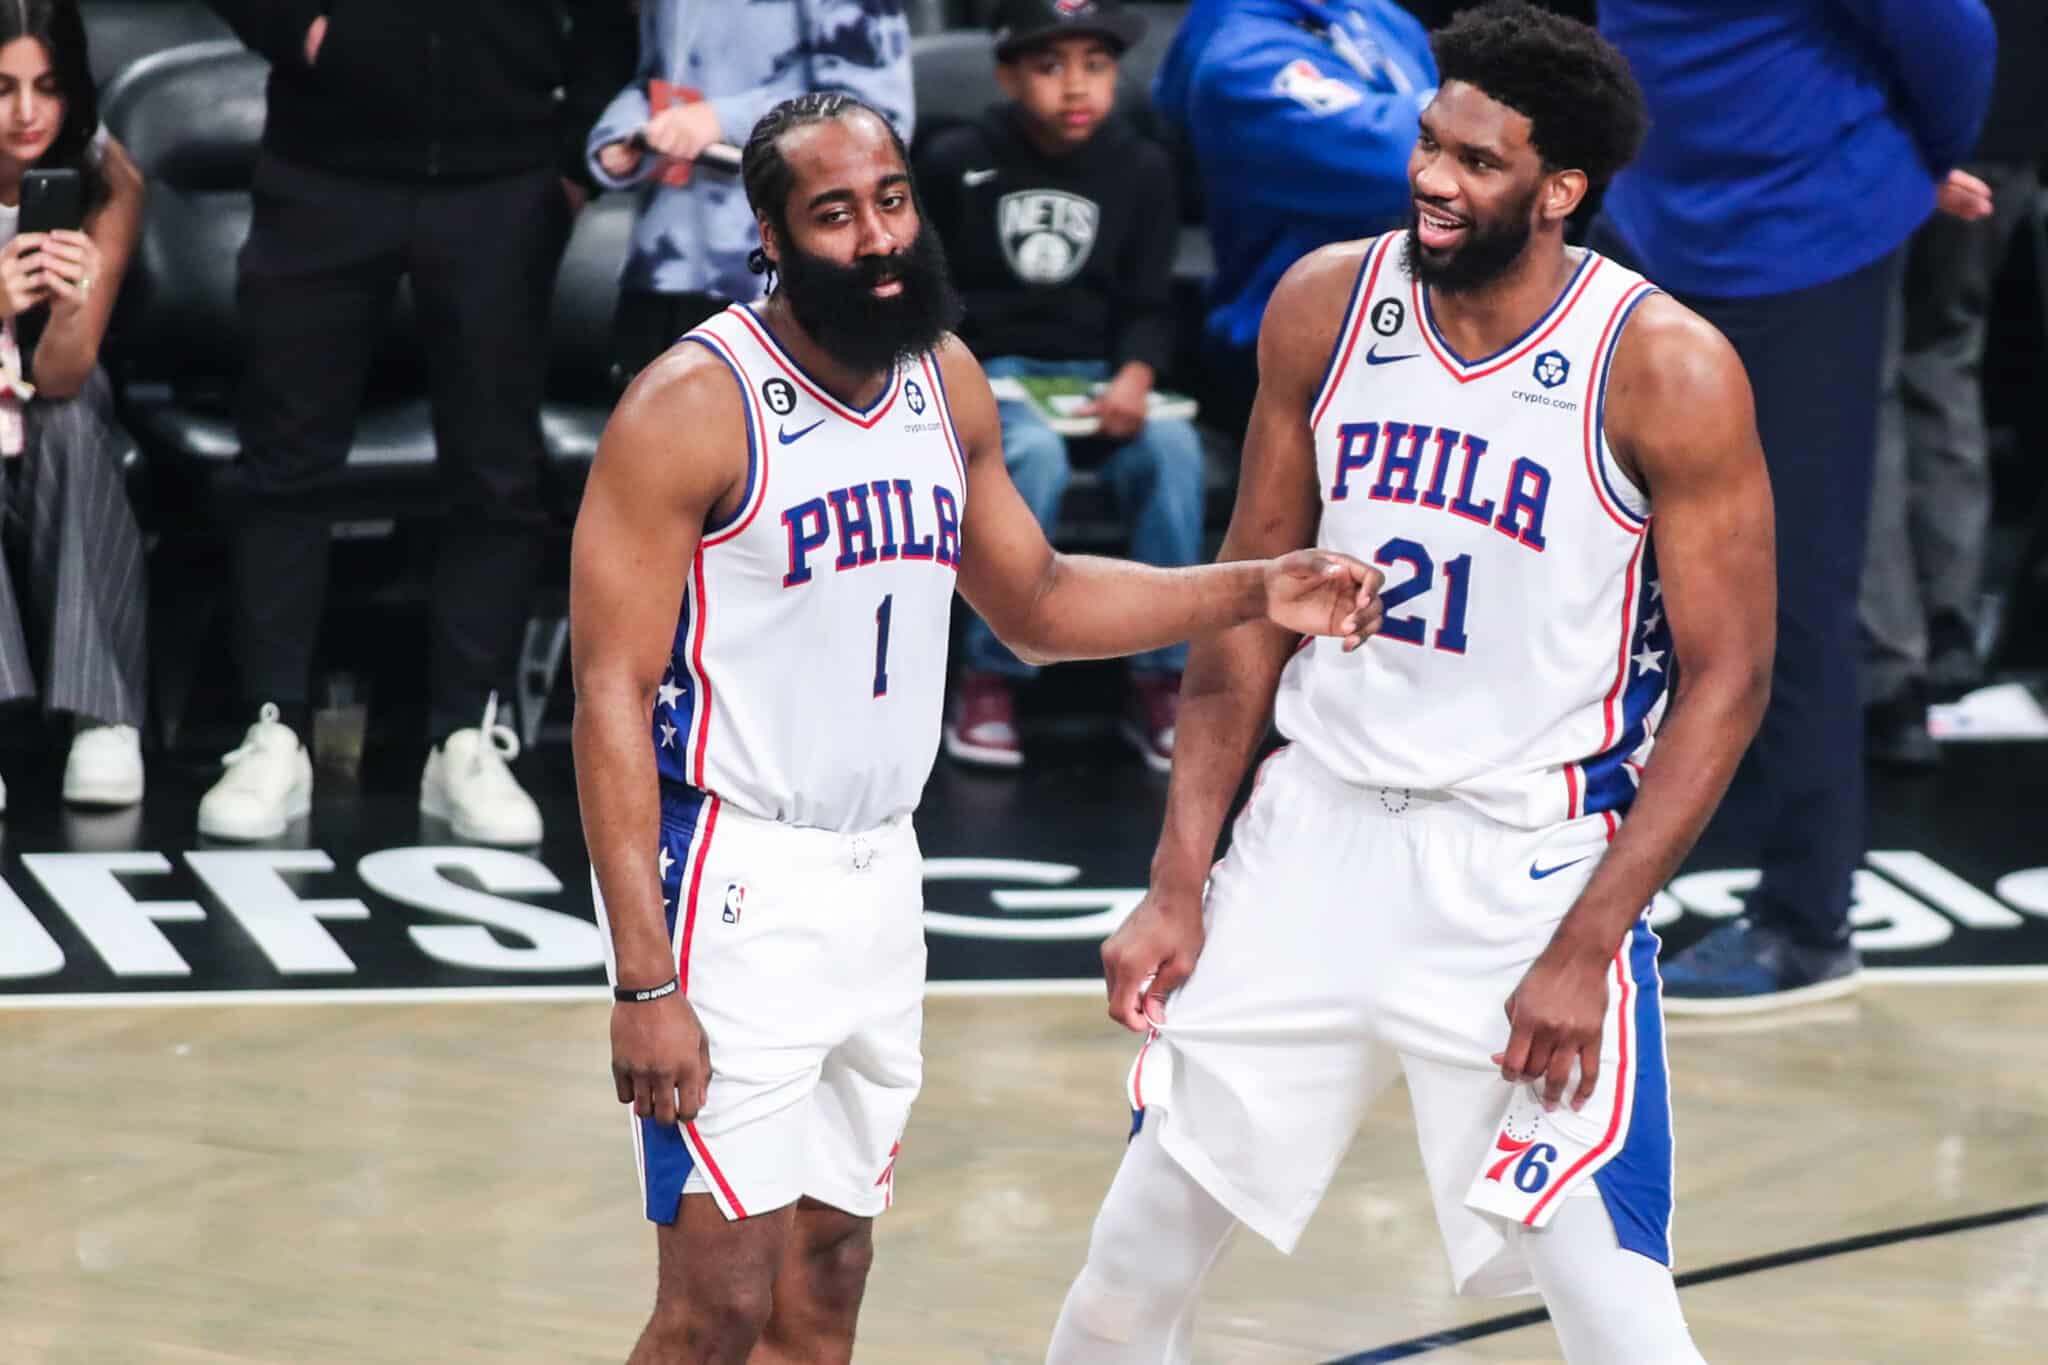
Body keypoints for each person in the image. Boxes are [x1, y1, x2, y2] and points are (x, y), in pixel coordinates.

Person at [570, 92, 1383, 1365]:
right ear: (772, 239)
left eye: (890, 198)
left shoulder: (941, 381)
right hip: (732, 880)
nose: (879, 235)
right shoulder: (689, 405)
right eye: (834, 214)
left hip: (882, 875)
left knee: (829, 1278)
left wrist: (1250, 586)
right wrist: (643, 981)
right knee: (713, 1311)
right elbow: (606, 696)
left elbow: (1042, 603)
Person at [1049, 6, 1774, 1361]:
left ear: (1561, 191)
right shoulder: (1327, 302)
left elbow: (1729, 681)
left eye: (1479, 162)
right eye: (1429, 142)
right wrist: (1177, 874)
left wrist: (1588, 940)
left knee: (1618, 1312)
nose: (1435, 177)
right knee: (1126, 1271)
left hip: (1521, 866)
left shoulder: (1664, 366)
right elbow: (1245, 605)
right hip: (1312, 829)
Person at [1587, 0, 1995, 1009]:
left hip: (1803, 243)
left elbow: (1953, 36)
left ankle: (1806, 920)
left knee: (1790, 587)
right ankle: (1637, 855)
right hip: (1655, 222)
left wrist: (1902, 159)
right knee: (1618, 561)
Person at [197, 0, 635, 846]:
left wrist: (574, 151)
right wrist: (296, 28)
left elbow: (613, 18)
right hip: (324, 164)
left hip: (503, 174)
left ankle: (465, 733)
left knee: (496, 472)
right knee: (283, 460)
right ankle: (272, 725)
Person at [915, 0, 1202, 772]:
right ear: (1007, 73)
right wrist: (966, 382)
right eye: (1050, 66)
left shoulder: (1142, 167)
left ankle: (1162, 679)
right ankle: (989, 678)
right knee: (1027, 457)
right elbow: (931, 300)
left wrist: (1137, 379)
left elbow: (1151, 302)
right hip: (990, 377)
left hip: (1101, 380)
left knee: (1173, 453)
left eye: (1097, 65)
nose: (1077, 87)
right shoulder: (954, 157)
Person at [1861, 0, 2047, 769]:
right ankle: (1948, 625)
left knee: (1868, 384)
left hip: (1909, 135)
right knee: (1944, 362)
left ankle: (1887, 666)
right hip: (2005, 124)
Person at [586, 0, 912, 393]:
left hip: (786, 276)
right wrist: (624, 128)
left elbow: (876, 114)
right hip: (664, 264)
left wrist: (723, 120)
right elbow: (655, 76)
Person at [1151, 0, 1436, 437]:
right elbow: (1405, 165)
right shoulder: (1236, 55)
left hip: (1420, 326)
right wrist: (1490, 115)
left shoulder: (1382, 17)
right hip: (1301, 346)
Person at [0, 0, 148, 813]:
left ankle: (103, 713)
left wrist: (63, 307)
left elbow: (61, 374)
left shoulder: (106, 181)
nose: (27, 114)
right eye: (2, 87)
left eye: (48, 87)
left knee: (73, 413)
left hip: (47, 406)